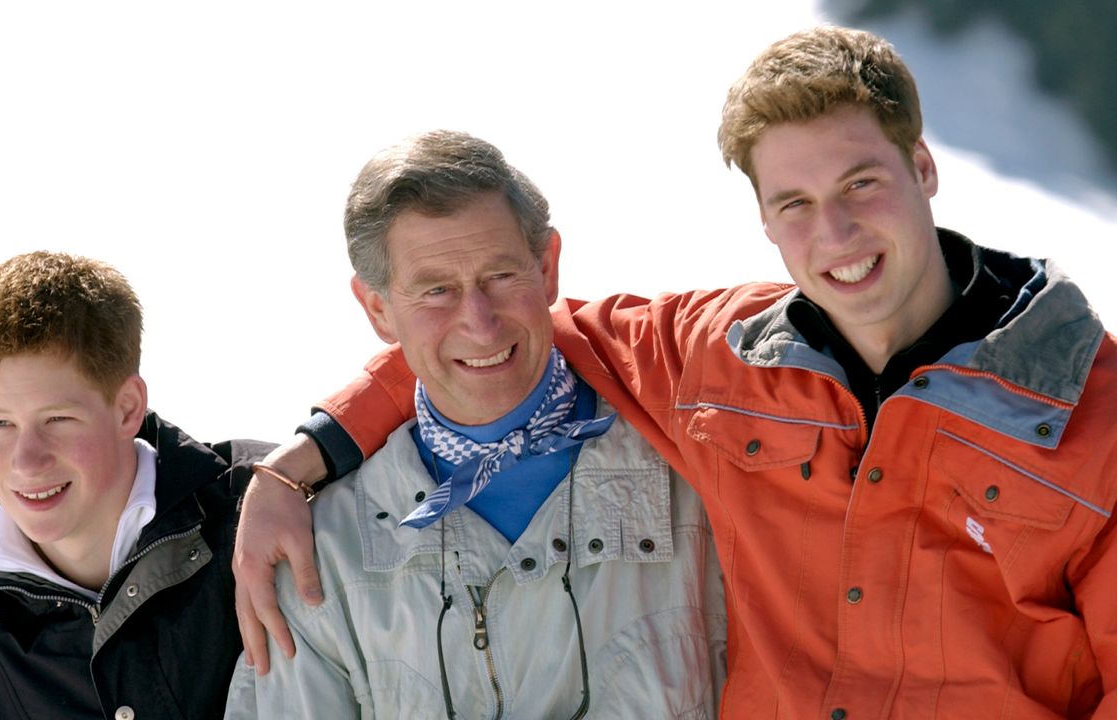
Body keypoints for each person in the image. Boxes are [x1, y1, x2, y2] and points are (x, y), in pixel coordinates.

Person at [234, 26, 1117, 718]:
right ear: (765, 220)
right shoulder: (715, 358)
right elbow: (498, 339)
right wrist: (300, 459)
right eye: (796, 204)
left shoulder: (1092, 411)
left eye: (861, 185)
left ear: (923, 168)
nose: (837, 236)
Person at [224, 130, 726, 718]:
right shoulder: (323, 551)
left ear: (547, 267)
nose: (480, 323)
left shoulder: (704, 480)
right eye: (436, 291)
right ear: (378, 309)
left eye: (501, 276)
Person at [0, 252, 274, 719]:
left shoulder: (267, 509)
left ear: (127, 408)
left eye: (58, 419)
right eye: (1, 423)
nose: (27, 460)